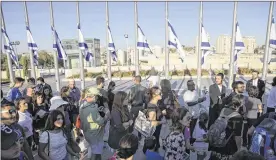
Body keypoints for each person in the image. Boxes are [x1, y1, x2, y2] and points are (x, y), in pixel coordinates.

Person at [209, 94, 245, 160]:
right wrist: (239, 149)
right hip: (228, 148)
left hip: (216, 144)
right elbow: (237, 137)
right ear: (241, 104)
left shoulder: (223, 110)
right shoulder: (237, 117)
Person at [79, 87, 108, 160]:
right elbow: (102, 122)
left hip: (88, 133)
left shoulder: (82, 105)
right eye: (96, 96)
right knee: (96, 154)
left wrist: (97, 111)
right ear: (93, 96)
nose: (97, 98)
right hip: (96, 135)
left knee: (95, 152)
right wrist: (106, 115)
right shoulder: (93, 109)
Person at [146, 87, 167, 152]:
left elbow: (163, 111)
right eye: (159, 93)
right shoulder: (151, 105)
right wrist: (162, 122)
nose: (161, 94)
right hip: (154, 130)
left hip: (158, 129)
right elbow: (153, 123)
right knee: (155, 144)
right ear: (154, 95)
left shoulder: (158, 101)